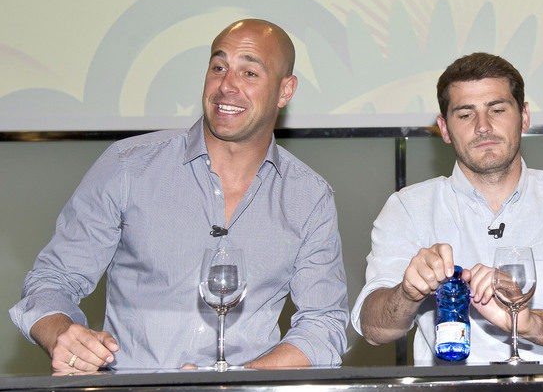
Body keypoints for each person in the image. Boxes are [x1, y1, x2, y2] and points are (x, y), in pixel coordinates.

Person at [9, 19, 349, 373]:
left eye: (249, 73)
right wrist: (62, 334)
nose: (226, 85)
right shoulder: (128, 167)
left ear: (285, 91)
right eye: (218, 67)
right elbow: (53, 280)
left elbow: (323, 324)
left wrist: (237, 385)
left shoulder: (309, 197)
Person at [352, 52, 543, 365]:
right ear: (445, 129)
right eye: (465, 115)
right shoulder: (408, 209)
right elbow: (374, 330)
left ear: (525, 117)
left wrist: (525, 321)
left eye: (497, 110)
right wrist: (407, 293)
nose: (483, 126)